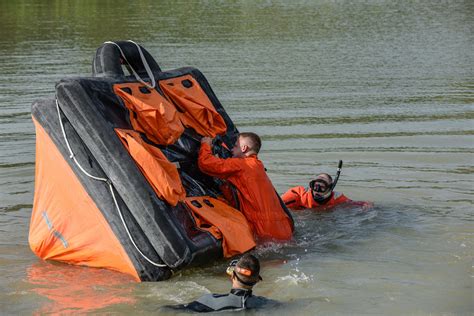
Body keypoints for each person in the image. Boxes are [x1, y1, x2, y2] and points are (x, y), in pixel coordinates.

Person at [198, 132, 294, 241]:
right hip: (283, 227)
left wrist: (205, 145)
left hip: (262, 229)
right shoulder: (258, 165)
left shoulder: (241, 164)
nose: (232, 149)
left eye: (235, 146)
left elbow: (206, 164)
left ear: (244, 148)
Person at [165, 254, 277, 313]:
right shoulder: (265, 303)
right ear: (257, 280)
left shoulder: (209, 301)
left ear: (232, 276)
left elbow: (171, 309)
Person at [281, 173, 372, 211]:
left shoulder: (337, 198)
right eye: (315, 186)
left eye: (322, 187)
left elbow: (354, 204)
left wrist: (367, 205)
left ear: (330, 189)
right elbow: (275, 203)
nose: (317, 191)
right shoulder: (297, 195)